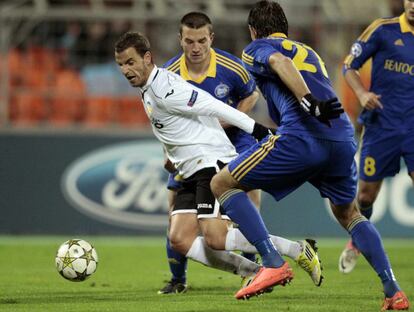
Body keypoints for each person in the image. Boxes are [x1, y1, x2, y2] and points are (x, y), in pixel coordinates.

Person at [210, 1, 410, 309]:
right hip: (341, 136)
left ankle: (273, 261)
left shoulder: (257, 48)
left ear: (252, 30)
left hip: (303, 135)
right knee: (349, 214)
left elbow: (278, 61)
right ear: (285, 27)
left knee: (222, 184)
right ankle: (393, 291)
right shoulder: (309, 51)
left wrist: (308, 103)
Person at [114, 31, 322, 297]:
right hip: (188, 168)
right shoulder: (148, 89)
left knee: (215, 238)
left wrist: (256, 129)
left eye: (130, 62)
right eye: (121, 64)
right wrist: (172, 155)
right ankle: (256, 272)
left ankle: (296, 250)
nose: (125, 70)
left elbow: (212, 105)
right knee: (180, 239)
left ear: (147, 58)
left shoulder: (165, 87)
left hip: (209, 162)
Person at [158, 11, 260, 295]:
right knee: (174, 210)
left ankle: (254, 272)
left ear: (211, 38)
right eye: (189, 41)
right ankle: (178, 280)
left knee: (247, 202)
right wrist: (168, 151)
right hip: (191, 151)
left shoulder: (232, 68)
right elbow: (163, 118)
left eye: (201, 40)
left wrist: (231, 118)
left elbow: (252, 94)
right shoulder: (167, 76)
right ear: (180, 39)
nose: (196, 47)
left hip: (232, 144)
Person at [338, 0, 414, 280]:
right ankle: (358, 239)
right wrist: (361, 94)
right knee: (366, 195)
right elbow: (349, 66)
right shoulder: (382, 30)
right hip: (382, 126)